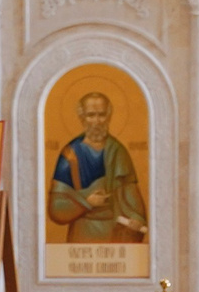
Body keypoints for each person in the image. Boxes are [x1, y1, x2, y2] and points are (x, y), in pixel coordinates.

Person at [48, 91, 149, 244]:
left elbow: (130, 194)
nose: (96, 121)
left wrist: (136, 218)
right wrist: (86, 202)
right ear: (82, 118)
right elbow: (56, 208)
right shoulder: (70, 154)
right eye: (91, 115)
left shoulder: (118, 151)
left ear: (108, 117)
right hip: (82, 233)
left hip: (115, 232)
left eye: (101, 115)